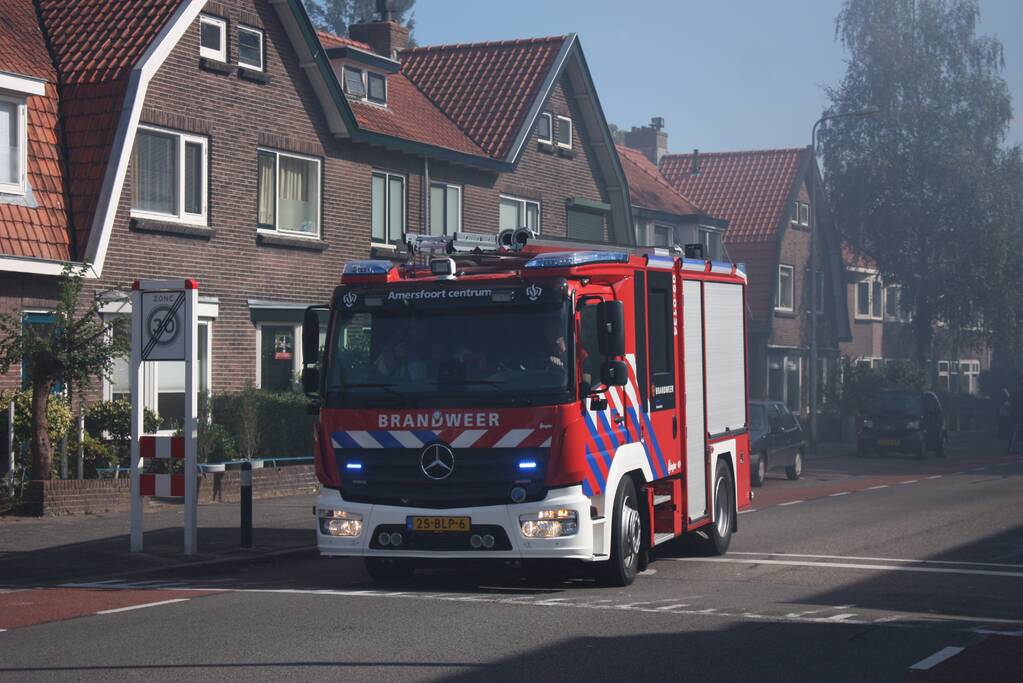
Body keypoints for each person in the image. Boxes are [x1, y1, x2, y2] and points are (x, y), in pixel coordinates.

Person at [1009, 372, 1023, 454]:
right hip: (1017, 413)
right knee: (1015, 431)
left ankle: (1011, 447)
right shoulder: (1018, 389)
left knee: (1015, 431)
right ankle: (1011, 448)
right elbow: (1017, 402)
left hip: (1017, 412)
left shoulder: (1017, 388)